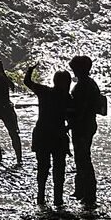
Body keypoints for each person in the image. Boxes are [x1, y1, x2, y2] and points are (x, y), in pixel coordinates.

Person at [24, 63, 72, 208]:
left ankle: (40, 196)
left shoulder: (44, 91)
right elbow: (73, 119)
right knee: (59, 168)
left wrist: (30, 70)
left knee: (43, 167)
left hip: (42, 134)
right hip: (58, 136)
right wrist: (67, 128)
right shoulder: (68, 98)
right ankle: (58, 199)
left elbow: (27, 82)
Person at [69, 55, 107, 210]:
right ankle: (81, 191)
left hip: (83, 125)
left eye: (74, 67)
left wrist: (73, 122)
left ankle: (89, 194)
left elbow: (82, 108)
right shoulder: (88, 83)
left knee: (83, 157)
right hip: (87, 124)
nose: (72, 70)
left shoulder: (84, 85)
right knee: (81, 156)